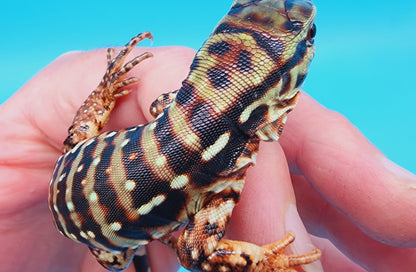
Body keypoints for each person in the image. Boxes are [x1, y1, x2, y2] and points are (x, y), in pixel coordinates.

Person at [0, 45, 415, 272]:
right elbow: (194, 251)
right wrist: (262, 261)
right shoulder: (222, 183)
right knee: (123, 251)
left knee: (123, 234)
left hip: (81, 180)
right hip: (107, 233)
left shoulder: (189, 128)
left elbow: (193, 248)